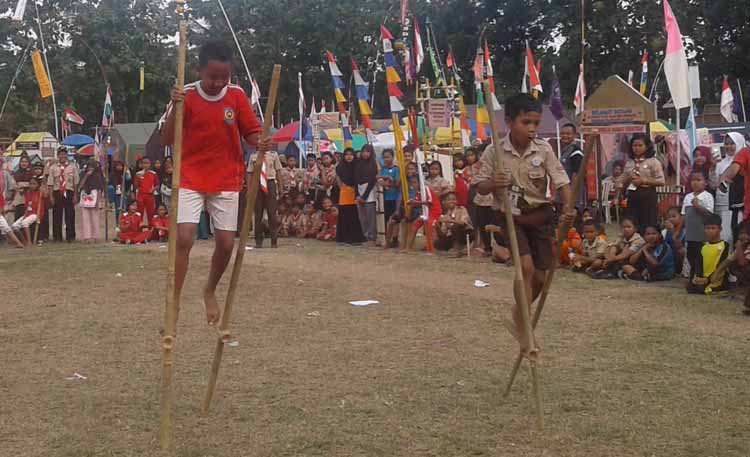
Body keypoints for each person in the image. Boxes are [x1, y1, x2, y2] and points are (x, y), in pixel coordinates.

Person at [160, 41, 266, 325]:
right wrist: (174, 107)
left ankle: (209, 289)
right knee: (184, 237)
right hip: (191, 176)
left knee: (226, 244)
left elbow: (252, 133)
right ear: (199, 71)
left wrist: (262, 142)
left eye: (224, 77)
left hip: (226, 178)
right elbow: (167, 139)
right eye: (212, 77)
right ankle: (175, 301)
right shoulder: (187, 95)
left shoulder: (236, 95)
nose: (218, 82)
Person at [473, 93, 575, 356]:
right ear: (509, 122)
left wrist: (568, 207)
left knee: (543, 276)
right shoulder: (493, 150)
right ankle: (523, 326)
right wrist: (493, 183)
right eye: (525, 122)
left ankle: (520, 309)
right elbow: (478, 186)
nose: (532, 128)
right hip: (510, 216)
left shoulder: (544, 148)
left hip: (539, 215)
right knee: (526, 268)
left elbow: (561, 180)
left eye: (535, 123)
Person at [620, 134, 665, 234]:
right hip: (632, 195)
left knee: (648, 222)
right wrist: (626, 179)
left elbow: (661, 181)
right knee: (633, 221)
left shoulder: (653, 162)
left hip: (647, 195)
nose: (637, 148)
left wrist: (644, 181)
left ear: (647, 146)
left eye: (640, 145)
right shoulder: (629, 162)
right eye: (634, 146)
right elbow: (623, 179)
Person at [250, 142, 283, 249]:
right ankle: (258, 240)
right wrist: (250, 189)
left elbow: (278, 171)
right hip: (257, 184)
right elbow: (249, 172)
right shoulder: (253, 156)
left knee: (272, 213)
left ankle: (274, 240)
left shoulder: (274, 155)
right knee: (258, 213)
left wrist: (281, 187)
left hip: (270, 183)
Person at [687, 214, 730, 294]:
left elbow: (722, 265)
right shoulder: (703, 246)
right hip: (703, 279)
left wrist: (708, 279)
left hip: (717, 278)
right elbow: (698, 264)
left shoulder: (725, 245)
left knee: (706, 288)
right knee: (691, 286)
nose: (710, 231)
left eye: (713, 228)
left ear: (720, 229)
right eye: (707, 228)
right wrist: (698, 277)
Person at [682, 172, 714, 275]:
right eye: (693, 180)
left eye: (698, 180)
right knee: (690, 255)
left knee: (701, 255)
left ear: (705, 183)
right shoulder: (687, 196)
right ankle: (693, 274)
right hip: (690, 234)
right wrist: (677, 232)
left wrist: (697, 207)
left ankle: (701, 275)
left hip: (702, 235)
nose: (695, 183)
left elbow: (710, 215)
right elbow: (683, 215)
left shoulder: (707, 196)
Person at [716, 133, 746, 244]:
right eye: (726, 144)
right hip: (724, 204)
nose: (729, 146)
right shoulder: (721, 163)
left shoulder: (745, 159)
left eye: (732, 143)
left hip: (742, 203)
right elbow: (717, 184)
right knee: (727, 236)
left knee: (741, 233)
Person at [384, 162, 420, 250]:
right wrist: (397, 210)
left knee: (405, 221)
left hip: (416, 208)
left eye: (412, 169)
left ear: (416, 170)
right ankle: (387, 243)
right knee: (391, 221)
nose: (409, 171)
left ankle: (404, 244)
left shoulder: (420, 182)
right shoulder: (404, 183)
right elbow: (400, 197)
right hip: (404, 206)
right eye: (408, 169)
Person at [47, 148, 79, 242]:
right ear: (58, 156)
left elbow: (75, 182)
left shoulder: (72, 167)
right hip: (57, 192)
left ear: (67, 155)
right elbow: (50, 183)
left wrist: (75, 195)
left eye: (64, 154)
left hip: (69, 191)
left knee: (70, 215)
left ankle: (70, 236)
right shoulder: (53, 168)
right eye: (61, 154)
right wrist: (51, 196)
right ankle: (57, 237)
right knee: (57, 215)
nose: (62, 156)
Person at [335, 148, 365, 244]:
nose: (348, 156)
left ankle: (355, 238)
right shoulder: (340, 167)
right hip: (344, 193)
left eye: (351, 154)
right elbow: (339, 181)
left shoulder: (357, 166)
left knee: (354, 216)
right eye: (346, 154)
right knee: (344, 215)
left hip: (355, 192)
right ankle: (343, 237)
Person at [355, 145, 378, 245]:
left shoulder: (373, 164)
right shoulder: (358, 164)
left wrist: (364, 196)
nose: (365, 154)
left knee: (370, 217)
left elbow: (372, 181)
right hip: (360, 191)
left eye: (367, 152)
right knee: (362, 217)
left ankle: (371, 237)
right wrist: (357, 195)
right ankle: (364, 235)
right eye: (363, 151)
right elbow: (355, 180)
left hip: (370, 192)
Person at [434, 191, 471, 256]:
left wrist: (450, 220)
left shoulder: (462, 209)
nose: (452, 201)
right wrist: (438, 227)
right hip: (452, 235)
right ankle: (457, 248)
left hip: (465, 232)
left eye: (454, 199)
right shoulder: (446, 214)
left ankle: (457, 249)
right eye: (449, 200)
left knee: (456, 227)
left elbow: (463, 223)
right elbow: (444, 232)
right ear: (444, 202)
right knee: (438, 243)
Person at [12, 176, 44, 247]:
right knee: (15, 226)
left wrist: (43, 184)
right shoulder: (28, 194)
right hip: (28, 213)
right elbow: (27, 207)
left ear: (37, 185)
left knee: (24, 223)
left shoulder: (40, 193)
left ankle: (29, 242)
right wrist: (25, 215)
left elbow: (46, 194)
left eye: (34, 184)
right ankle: (24, 241)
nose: (32, 185)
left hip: (36, 214)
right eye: (30, 184)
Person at [78, 161, 105, 243]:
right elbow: (80, 186)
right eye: (89, 167)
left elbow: (100, 189)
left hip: (94, 197)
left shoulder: (97, 176)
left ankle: (95, 236)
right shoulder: (83, 175)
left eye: (92, 167)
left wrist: (98, 201)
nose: (90, 169)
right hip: (85, 196)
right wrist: (86, 176)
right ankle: (87, 236)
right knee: (85, 218)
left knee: (95, 218)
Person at [558, 123, 585, 206]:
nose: (564, 136)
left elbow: (576, 176)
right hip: (562, 195)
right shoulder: (566, 151)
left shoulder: (576, 152)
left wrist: (571, 197)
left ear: (574, 135)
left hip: (571, 197)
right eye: (562, 133)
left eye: (568, 134)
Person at [377, 149, 400, 235]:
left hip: (394, 197)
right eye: (384, 157)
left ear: (392, 157)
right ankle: (387, 236)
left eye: (388, 157)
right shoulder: (383, 169)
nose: (386, 159)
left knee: (394, 219)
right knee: (385, 218)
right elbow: (378, 178)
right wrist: (386, 178)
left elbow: (397, 183)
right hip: (384, 198)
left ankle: (394, 237)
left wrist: (388, 182)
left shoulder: (396, 169)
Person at [133, 157, 159, 222]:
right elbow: (135, 186)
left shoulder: (153, 173)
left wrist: (153, 189)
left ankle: (151, 228)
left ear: (150, 164)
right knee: (139, 213)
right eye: (144, 163)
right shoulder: (138, 174)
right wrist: (139, 179)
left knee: (150, 213)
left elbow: (157, 184)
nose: (145, 165)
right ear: (141, 164)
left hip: (150, 195)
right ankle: (139, 229)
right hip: (140, 195)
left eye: (147, 163)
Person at [663, 206, 687, 277]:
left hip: (680, 260)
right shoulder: (665, 231)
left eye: (674, 216)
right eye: (669, 217)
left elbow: (680, 247)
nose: (671, 219)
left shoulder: (685, 231)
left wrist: (672, 230)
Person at [12, 155, 33, 220]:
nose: (24, 163)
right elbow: (14, 185)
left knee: (28, 219)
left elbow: (34, 184)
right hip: (19, 200)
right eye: (22, 162)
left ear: (29, 163)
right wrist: (26, 185)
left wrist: (21, 184)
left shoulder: (32, 173)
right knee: (18, 218)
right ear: (20, 163)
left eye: (26, 162)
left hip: (30, 199)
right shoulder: (16, 173)